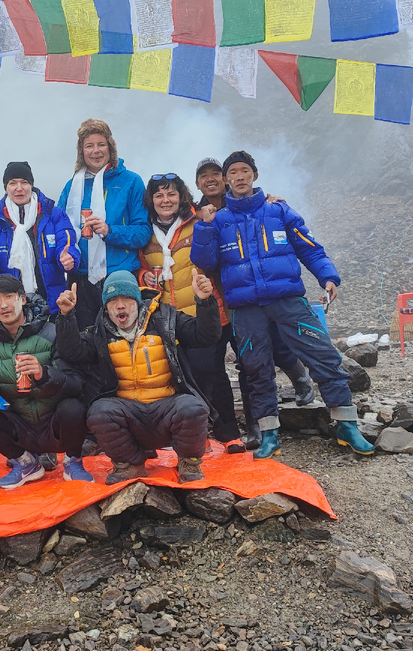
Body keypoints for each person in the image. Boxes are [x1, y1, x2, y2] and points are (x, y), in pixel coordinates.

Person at [191, 151, 375, 460]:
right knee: (256, 369)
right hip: (246, 308)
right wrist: (204, 228)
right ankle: (269, 435)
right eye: (233, 172)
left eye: (245, 171)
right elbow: (205, 261)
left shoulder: (279, 210)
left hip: (288, 299)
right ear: (226, 180)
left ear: (255, 175)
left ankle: (346, 425)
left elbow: (310, 248)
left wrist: (328, 277)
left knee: (323, 355)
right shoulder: (218, 221)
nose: (239, 176)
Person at [56, 270, 220, 485]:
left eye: (126, 298)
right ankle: (130, 464)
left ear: (137, 300)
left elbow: (206, 335)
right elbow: (73, 352)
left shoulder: (166, 318)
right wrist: (66, 316)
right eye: (113, 301)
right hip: (128, 412)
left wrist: (205, 301)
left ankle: (188, 462)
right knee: (99, 412)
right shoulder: (100, 332)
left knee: (193, 407)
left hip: (168, 406)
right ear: (106, 306)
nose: (120, 306)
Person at [196, 158, 316, 418]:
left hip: (254, 285)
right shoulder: (197, 212)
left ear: (225, 178)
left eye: (215, 173)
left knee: (272, 340)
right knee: (242, 354)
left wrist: (275, 200)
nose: (211, 179)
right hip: (221, 291)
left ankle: (297, 377)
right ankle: (253, 420)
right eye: (204, 175)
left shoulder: (243, 202)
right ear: (197, 183)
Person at [137, 172, 244, 453]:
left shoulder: (199, 221)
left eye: (171, 194)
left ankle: (228, 432)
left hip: (200, 313)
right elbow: (138, 266)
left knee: (209, 372)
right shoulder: (143, 231)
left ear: (181, 197)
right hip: (165, 319)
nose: (165, 200)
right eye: (159, 195)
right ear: (151, 200)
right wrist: (143, 277)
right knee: (173, 376)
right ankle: (188, 435)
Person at [0, 274, 94, 489]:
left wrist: (44, 374)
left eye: (9, 296)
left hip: (56, 424)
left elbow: (76, 384)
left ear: (23, 299)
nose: (3, 305)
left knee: (74, 407)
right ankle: (25, 463)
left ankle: (74, 461)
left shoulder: (52, 333)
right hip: (22, 426)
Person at [57, 119, 151, 324]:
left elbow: (143, 232)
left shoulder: (131, 181)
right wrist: (64, 254)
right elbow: (60, 231)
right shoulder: (72, 186)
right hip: (81, 277)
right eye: (89, 145)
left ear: (111, 147)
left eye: (101, 144)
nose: (96, 151)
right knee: (86, 341)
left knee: (120, 342)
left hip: (120, 276)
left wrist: (110, 231)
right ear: (81, 151)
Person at [0, 161, 80, 313]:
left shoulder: (54, 214)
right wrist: (2, 287)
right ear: (6, 188)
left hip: (52, 302)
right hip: (11, 306)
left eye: (24, 182)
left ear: (31, 185)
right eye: (12, 183)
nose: (19, 188)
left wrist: (69, 259)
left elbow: (68, 242)